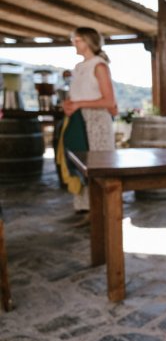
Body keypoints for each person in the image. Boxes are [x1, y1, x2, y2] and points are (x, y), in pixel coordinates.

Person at [56, 27, 118, 219]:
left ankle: (103, 213)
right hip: (78, 120)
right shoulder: (78, 67)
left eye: (78, 39)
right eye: (74, 40)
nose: (74, 43)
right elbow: (76, 95)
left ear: (89, 41)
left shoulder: (99, 66)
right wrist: (68, 105)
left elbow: (110, 102)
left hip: (96, 122)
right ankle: (88, 212)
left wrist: (78, 104)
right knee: (80, 164)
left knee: (98, 166)